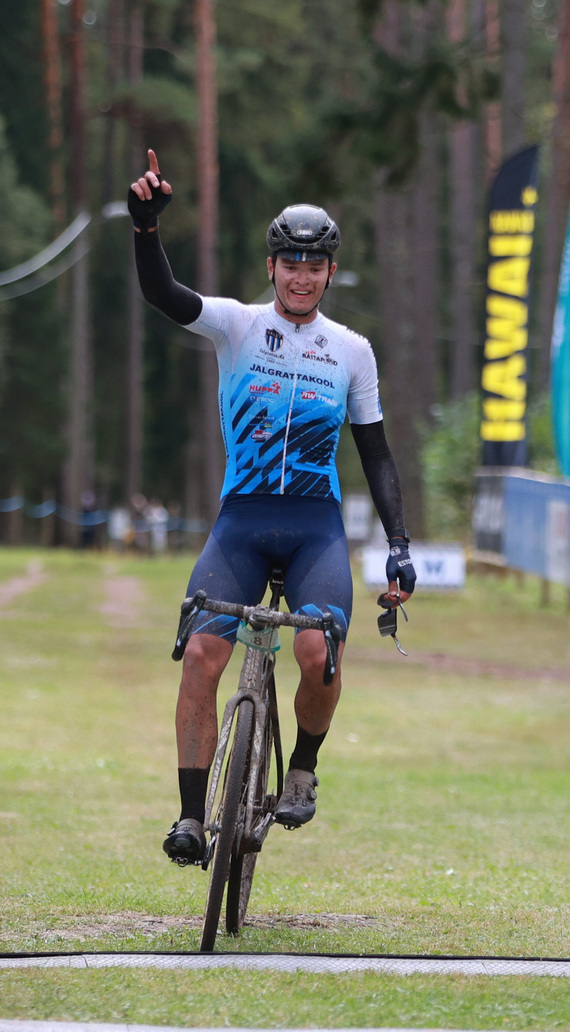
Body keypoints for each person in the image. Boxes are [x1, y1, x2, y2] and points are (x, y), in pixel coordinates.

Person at [129, 148, 417, 867]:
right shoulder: (237, 325)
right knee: (201, 652)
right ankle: (193, 818)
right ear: (271, 267)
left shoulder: (351, 351)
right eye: (290, 262)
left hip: (314, 526)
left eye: (314, 264)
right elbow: (165, 295)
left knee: (319, 652)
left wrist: (400, 544)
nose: (301, 274)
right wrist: (144, 229)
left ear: (329, 272)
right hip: (243, 523)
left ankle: (303, 767)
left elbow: (376, 454)